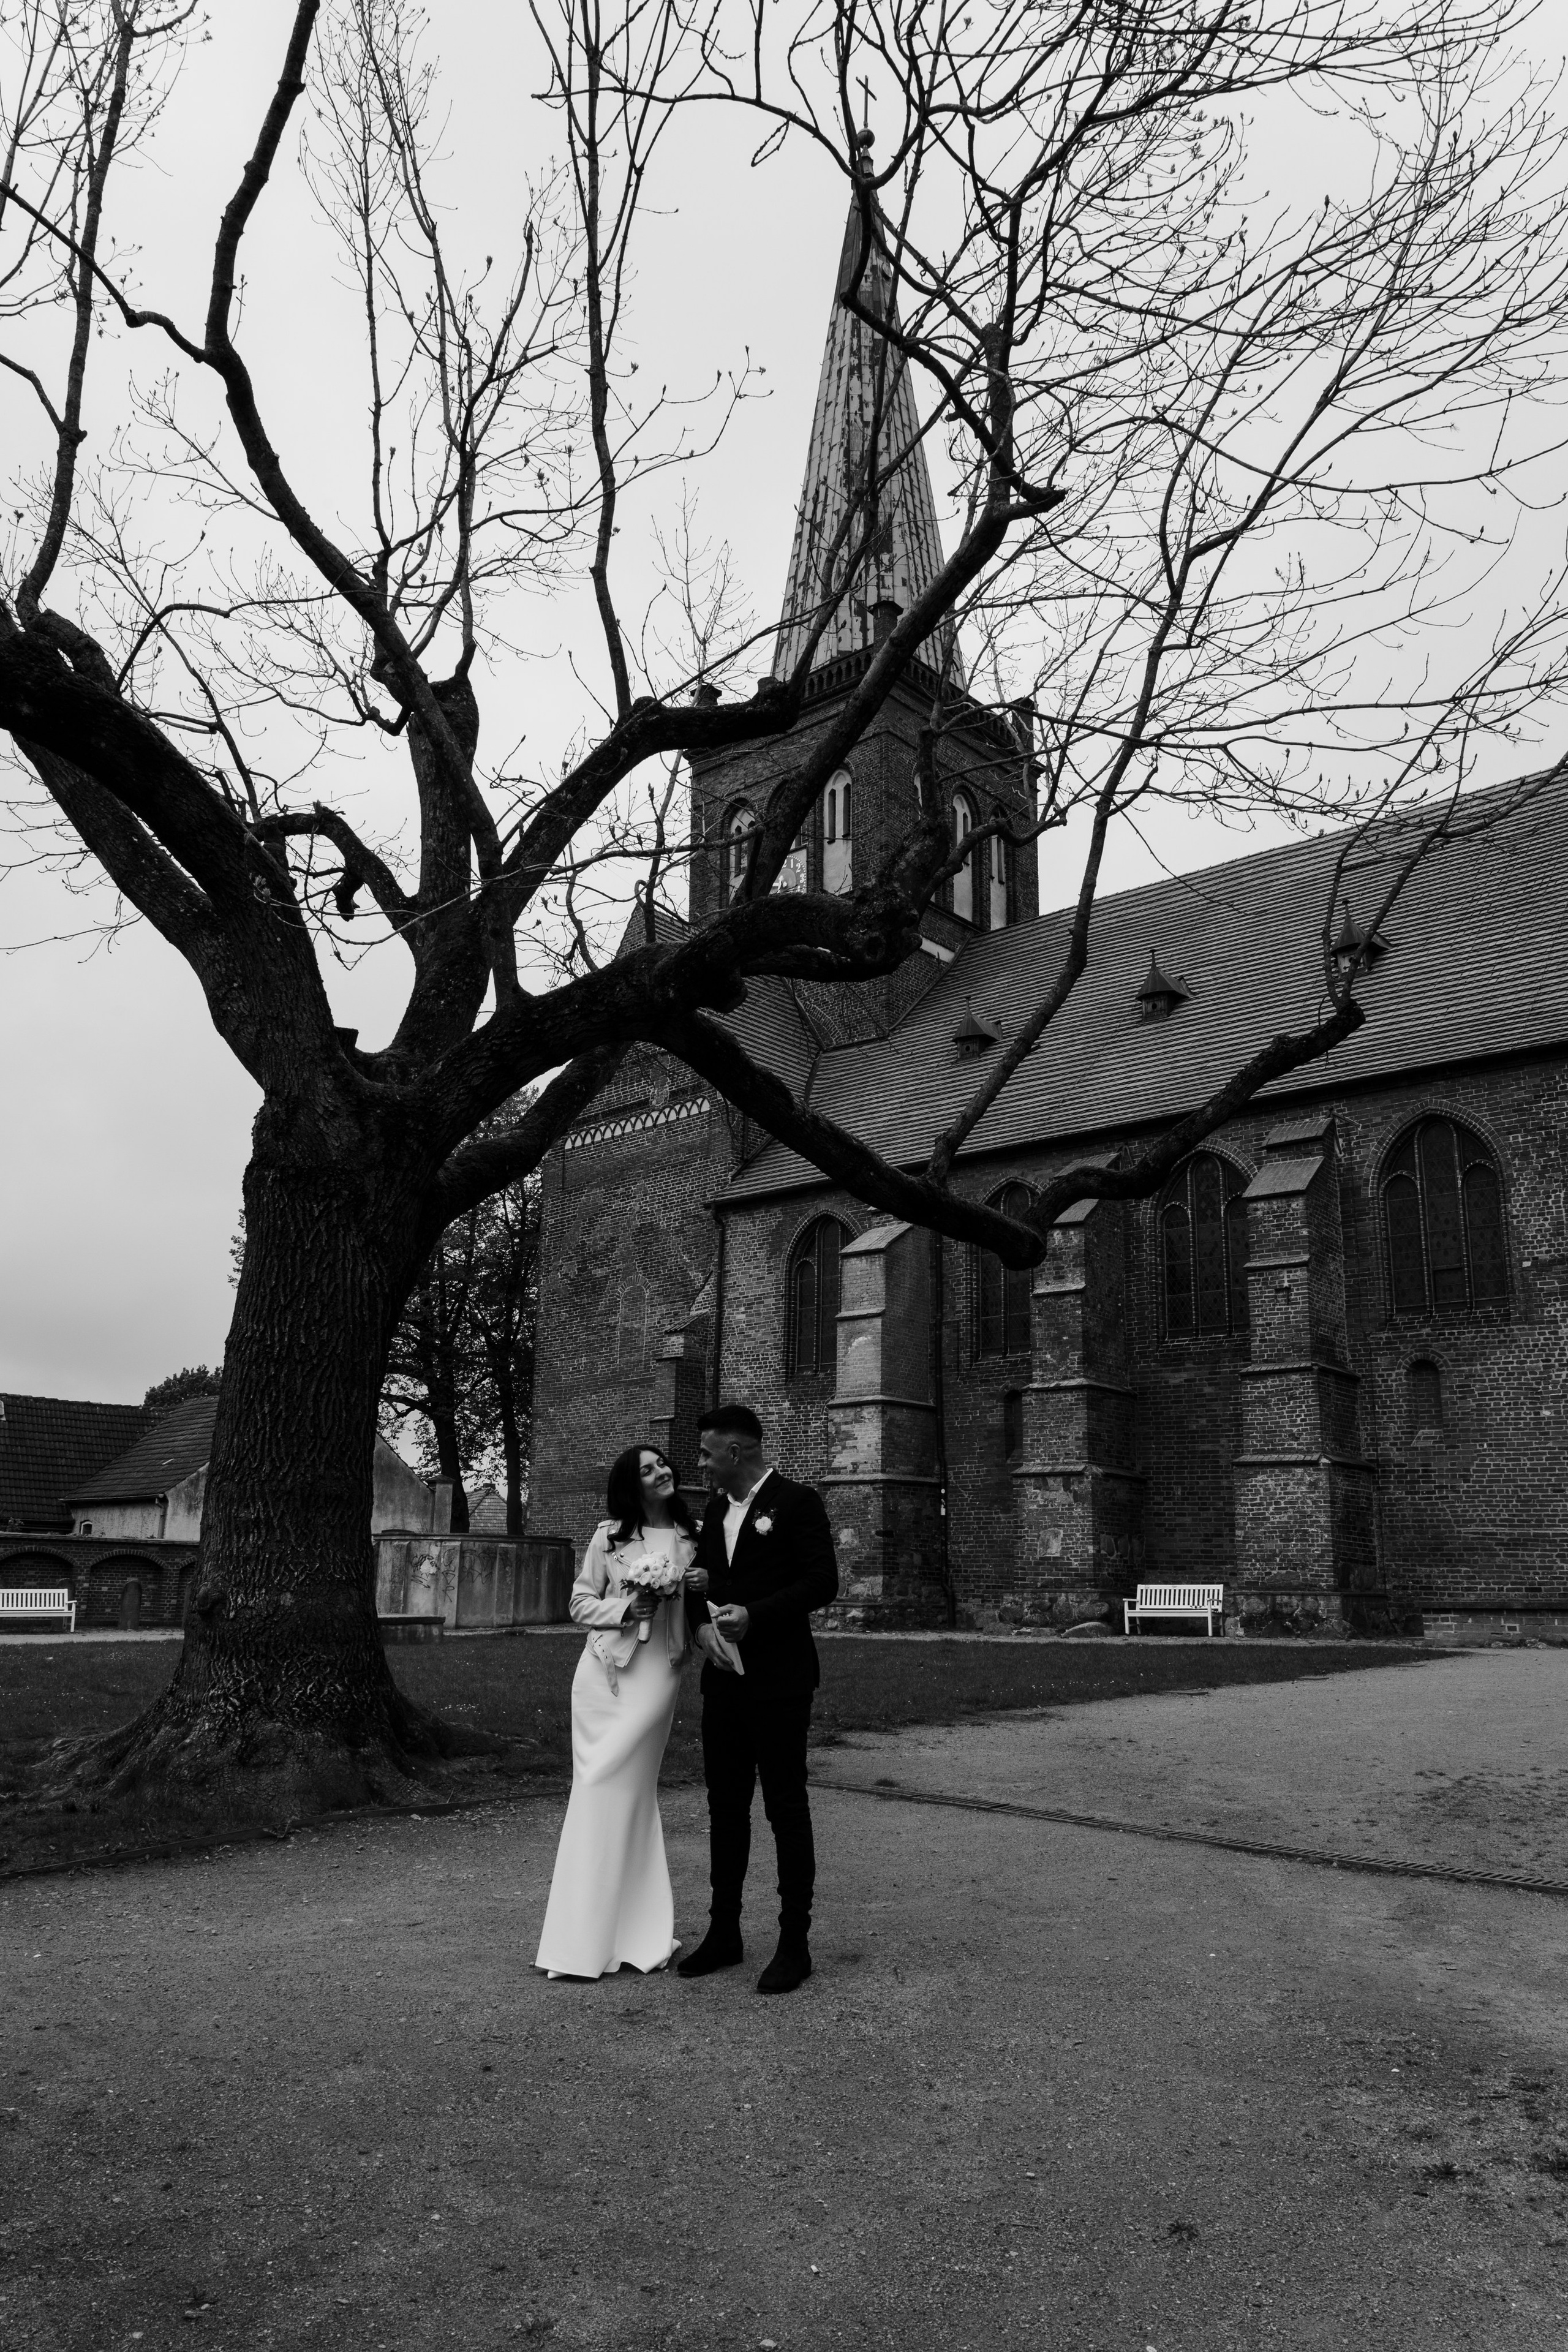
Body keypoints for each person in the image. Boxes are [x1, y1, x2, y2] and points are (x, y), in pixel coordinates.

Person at [678, 1402, 839, 1996]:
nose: (700, 1464)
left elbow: (823, 1581)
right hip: (723, 1681)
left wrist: (757, 1616)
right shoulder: (715, 1507)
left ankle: (793, 1944)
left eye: (706, 1453)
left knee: (784, 1809)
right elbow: (700, 1578)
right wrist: (700, 1627)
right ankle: (724, 1933)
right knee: (725, 1807)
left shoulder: (798, 1504)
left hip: (779, 1681)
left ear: (736, 1452)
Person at [534, 1445, 706, 1980]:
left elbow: (708, 1602)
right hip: (603, 1675)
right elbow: (580, 1602)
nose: (663, 1473)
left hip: (658, 1675)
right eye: (648, 1470)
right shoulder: (607, 1536)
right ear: (631, 1487)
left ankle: (639, 1934)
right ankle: (579, 1943)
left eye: (663, 1465)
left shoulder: (693, 1536)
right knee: (595, 1792)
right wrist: (625, 1608)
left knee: (630, 1794)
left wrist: (702, 1584)